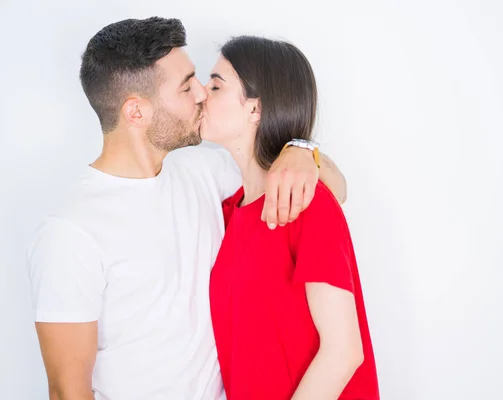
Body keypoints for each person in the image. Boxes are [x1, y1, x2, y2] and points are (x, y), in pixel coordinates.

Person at [27, 18, 346, 400]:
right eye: (187, 85)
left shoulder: (208, 173)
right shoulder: (71, 232)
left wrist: (303, 151)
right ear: (136, 113)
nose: (200, 94)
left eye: (204, 81)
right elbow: (67, 391)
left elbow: (334, 190)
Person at [204, 36, 379, 399]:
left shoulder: (306, 204)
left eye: (217, 85)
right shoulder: (227, 212)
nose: (203, 94)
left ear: (256, 109)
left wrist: (305, 148)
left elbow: (343, 352)